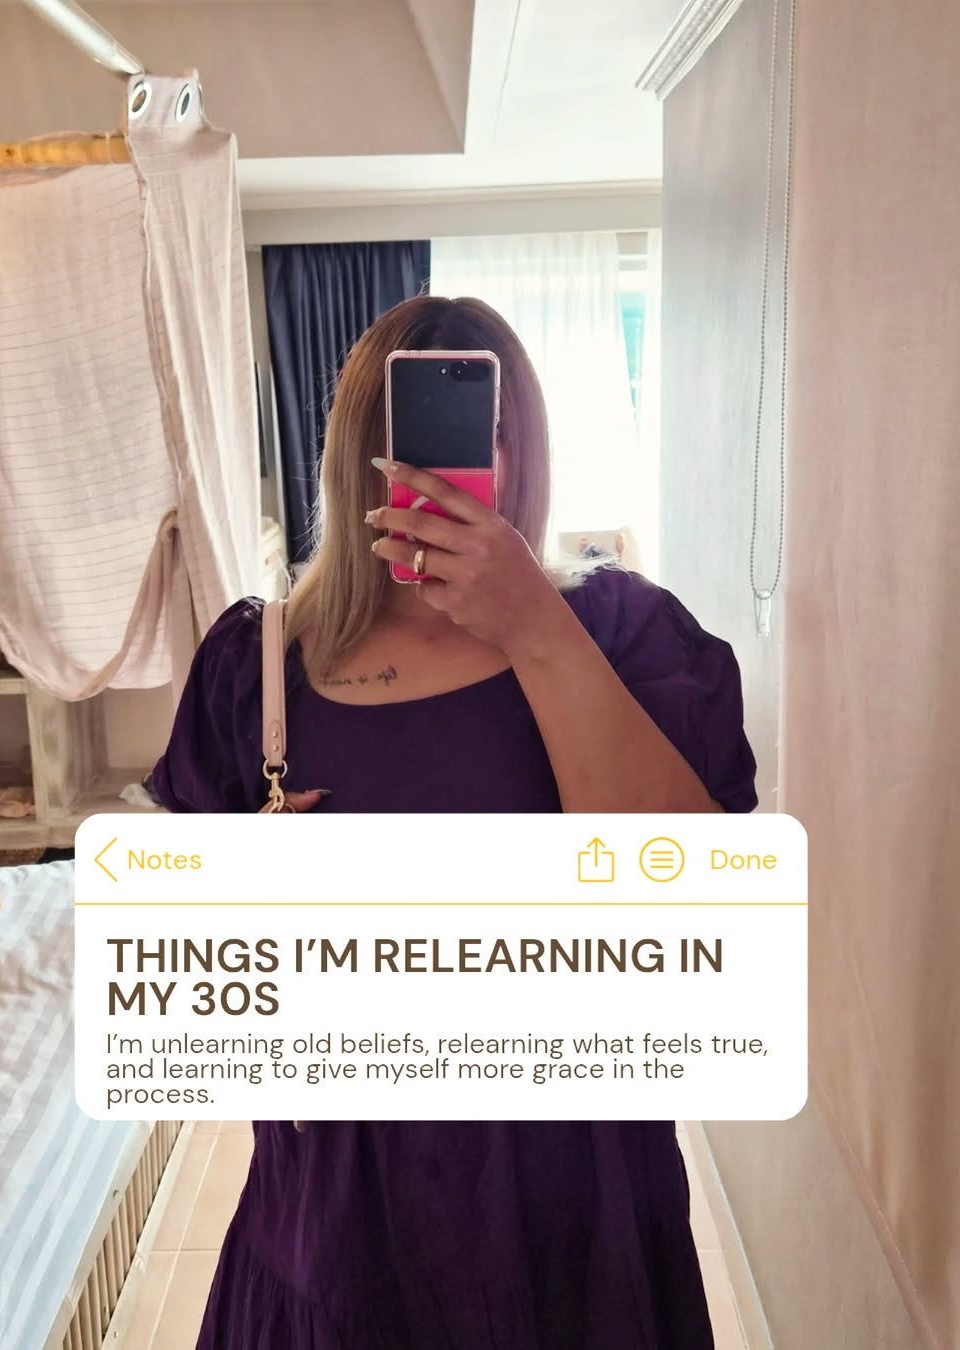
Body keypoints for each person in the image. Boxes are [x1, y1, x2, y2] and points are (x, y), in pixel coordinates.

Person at [151, 295, 757, 1350]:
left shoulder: (625, 634)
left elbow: (704, 913)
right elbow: (184, 976)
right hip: (341, 1210)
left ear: (528, 447)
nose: (451, 466)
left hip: (577, 1191)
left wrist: (536, 627)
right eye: (405, 433)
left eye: (491, 427)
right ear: (357, 461)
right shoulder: (258, 666)